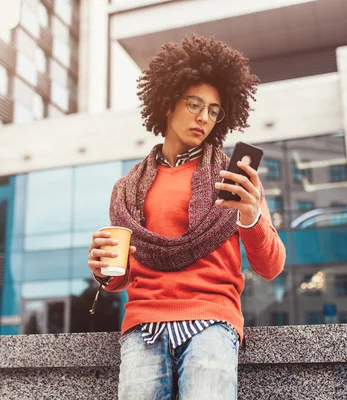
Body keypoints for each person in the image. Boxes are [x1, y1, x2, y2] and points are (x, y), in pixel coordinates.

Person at [87, 35, 286, 400]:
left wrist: (251, 216)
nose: (203, 117)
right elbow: (121, 279)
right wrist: (102, 270)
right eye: (194, 104)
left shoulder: (233, 178)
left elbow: (271, 266)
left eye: (213, 110)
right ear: (167, 103)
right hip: (143, 324)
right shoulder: (127, 188)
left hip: (212, 320)